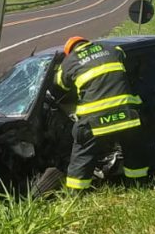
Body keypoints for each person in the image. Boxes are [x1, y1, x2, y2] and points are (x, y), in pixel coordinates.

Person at [54, 36, 149, 191]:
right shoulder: (111, 48)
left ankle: (75, 194)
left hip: (94, 121)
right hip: (126, 114)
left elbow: (60, 84)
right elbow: (125, 59)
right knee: (134, 150)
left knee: (82, 156)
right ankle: (138, 186)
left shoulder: (69, 61)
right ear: (86, 42)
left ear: (69, 51)